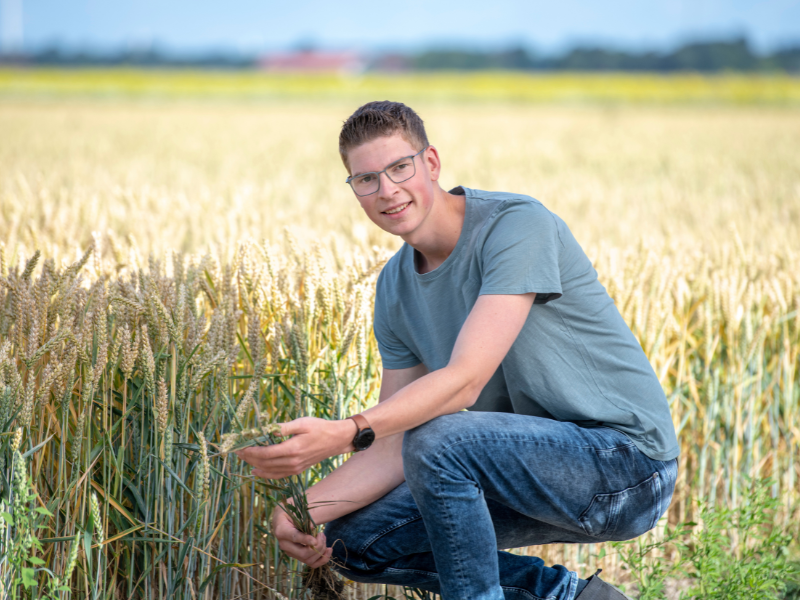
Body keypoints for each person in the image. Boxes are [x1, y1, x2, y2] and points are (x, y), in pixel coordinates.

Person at [235, 100, 680, 600]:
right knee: (351, 542)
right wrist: (298, 511)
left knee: (442, 438)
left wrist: (343, 433)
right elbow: (392, 442)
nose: (387, 190)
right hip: (523, 471)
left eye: (400, 167)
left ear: (431, 163)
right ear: (354, 190)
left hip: (627, 466)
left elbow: (465, 380)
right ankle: (571, 598)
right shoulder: (395, 288)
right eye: (366, 180)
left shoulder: (516, 226)